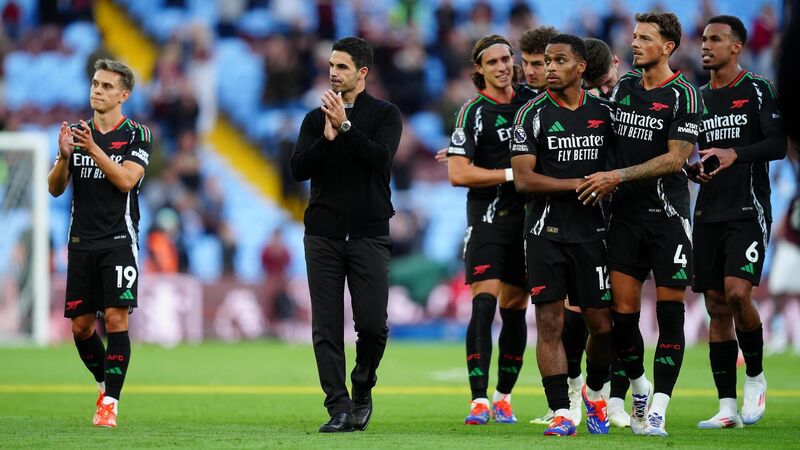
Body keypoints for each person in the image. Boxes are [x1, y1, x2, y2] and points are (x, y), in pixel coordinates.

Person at [576, 11, 703, 437]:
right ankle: (640, 386)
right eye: (634, 36)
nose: (635, 43)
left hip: (668, 220)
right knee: (622, 320)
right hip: (625, 220)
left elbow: (674, 158)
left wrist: (617, 176)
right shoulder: (625, 87)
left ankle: (658, 409)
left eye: (645, 38)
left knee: (670, 317)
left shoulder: (685, 95)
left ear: (668, 47)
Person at [290, 36, 402, 433]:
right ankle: (338, 406)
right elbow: (298, 169)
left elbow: (380, 159)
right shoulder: (314, 119)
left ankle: (362, 386)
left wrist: (346, 127)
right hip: (323, 235)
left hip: (370, 234)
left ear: (362, 72)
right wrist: (326, 139)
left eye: (342, 67)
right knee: (326, 326)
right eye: (331, 66)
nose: (333, 73)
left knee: (372, 325)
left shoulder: (386, 114)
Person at [511, 33, 616, 437]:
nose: (550, 68)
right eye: (547, 61)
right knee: (549, 323)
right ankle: (560, 411)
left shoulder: (606, 113)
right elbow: (524, 179)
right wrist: (578, 183)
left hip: (594, 233)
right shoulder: (531, 114)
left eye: (559, 61)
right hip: (544, 232)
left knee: (602, 327)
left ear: (581, 67)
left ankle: (595, 393)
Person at [687, 15, 786, 429]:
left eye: (715, 39)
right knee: (715, 305)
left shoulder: (758, 88)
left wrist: (736, 154)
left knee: (737, 293)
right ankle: (727, 407)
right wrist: (693, 168)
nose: (706, 46)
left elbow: (778, 144)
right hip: (707, 210)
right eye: (703, 39)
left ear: (736, 46)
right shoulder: (696, 98)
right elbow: (688, 150)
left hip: (748, 208)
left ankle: (756, 377)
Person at [47, 59, 152, 428]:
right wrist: (64, 158)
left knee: (115, 318)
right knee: (80, 328)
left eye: (107, 86)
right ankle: (104, 382)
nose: (98, 90)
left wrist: (92, 150)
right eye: (95, 83)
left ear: (124, 95)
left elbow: (126, 181)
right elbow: (55, 188)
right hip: (81, 241)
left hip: (120, 239)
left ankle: (110, 404)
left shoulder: (137, 134)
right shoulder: (78, 134)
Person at [445, 34, 533, 426]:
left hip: (529, 222)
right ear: (479, 69)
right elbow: (458, 173)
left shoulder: (531, 103)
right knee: (483, 305)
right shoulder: (472, 112)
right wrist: (513, 174)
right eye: (492, 61)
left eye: (506, 59)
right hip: (488, 220)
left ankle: (503, 397)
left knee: (515, 310)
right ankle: (478, 400)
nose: (502, 66)